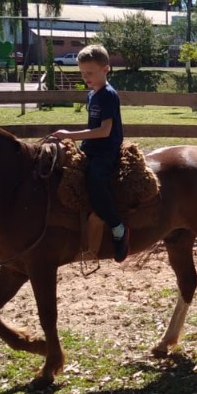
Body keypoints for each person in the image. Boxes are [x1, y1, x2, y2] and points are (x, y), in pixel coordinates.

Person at [49, 44, 129, 263]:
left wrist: (70, 135)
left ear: (106, 69)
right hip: (91, 148)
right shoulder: (92, 94)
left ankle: (117, 226)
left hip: (106, 151)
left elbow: (105, 130)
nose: (86, 77)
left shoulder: (108, 96)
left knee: (95, 179)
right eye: (83, 73)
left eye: (90, 73)